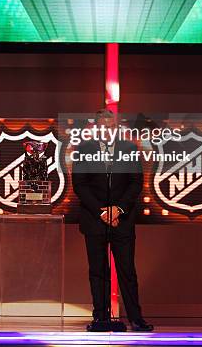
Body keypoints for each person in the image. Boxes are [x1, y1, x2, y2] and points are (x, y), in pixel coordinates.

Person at [72, 109, 153, 332]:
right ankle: (100, 317)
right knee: (97, 270)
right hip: (94, 219)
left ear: (115, 127)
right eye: (102, 126)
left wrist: (117, 209)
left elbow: (136, 183)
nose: (106, 130)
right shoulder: (84, 149)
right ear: (96, 128)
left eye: (110, 126)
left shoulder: (129, 149)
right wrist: (102, 212)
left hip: (122, 220)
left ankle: (136, 318)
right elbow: (80, 184)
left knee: (127, 270)